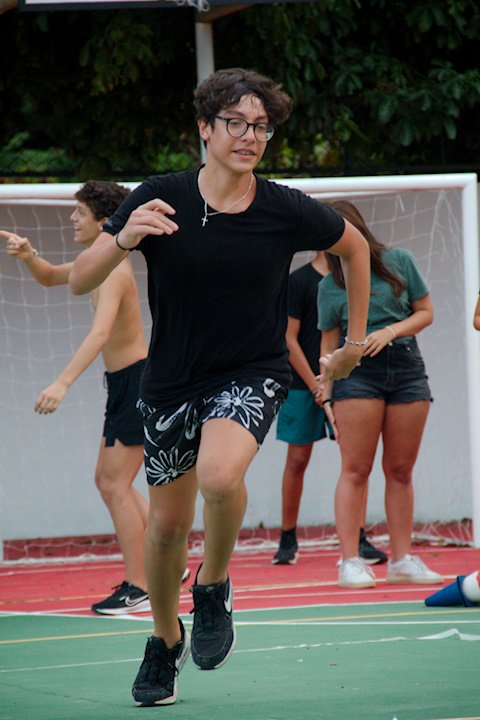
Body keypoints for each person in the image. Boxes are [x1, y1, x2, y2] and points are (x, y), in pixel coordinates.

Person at [68, 68, 371, 707]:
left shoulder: (284, 207)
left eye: (261, 127)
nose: (250, 136)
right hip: (171, 382)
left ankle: (212, 585)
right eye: (236, 123)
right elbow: (79, 279)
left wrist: (351, 343)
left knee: (219, 475)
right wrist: (124, 236)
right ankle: (163, 639)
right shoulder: (160, 197)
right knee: (166, 528)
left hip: (252, 371)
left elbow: (356, 250)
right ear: (205, 128)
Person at [1, 181, 181, 616]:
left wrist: (62, 383)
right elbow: (49, 277)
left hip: (136, 383)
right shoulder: (97, 263)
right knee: (109, 482)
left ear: (104, 222)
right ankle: (170, 562)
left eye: (79, 212)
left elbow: (100, 334)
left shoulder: (114, 271)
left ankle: (140, 585)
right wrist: (29, 255)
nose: (72, 218)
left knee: (114, 484)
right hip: (124, 383)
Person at [318, 200, 444, 590]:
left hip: (406, 367)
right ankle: (350, 561)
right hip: (356, 375)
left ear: (356, 228)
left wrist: (390, 331)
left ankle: (402, 560)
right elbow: (328, 347)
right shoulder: (328, 285)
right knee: (356, 469)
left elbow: (425, 312)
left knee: (401, 470)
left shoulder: (398, 261)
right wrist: (325, 395)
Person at [273, 251, 387, 566]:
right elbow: (288, 339)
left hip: (349, 381)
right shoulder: (299, 281)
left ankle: (358, 537)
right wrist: (316, 385)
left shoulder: (356, 277)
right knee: (297, 459)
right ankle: (287, 538)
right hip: (302, 384)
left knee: (356, 462)